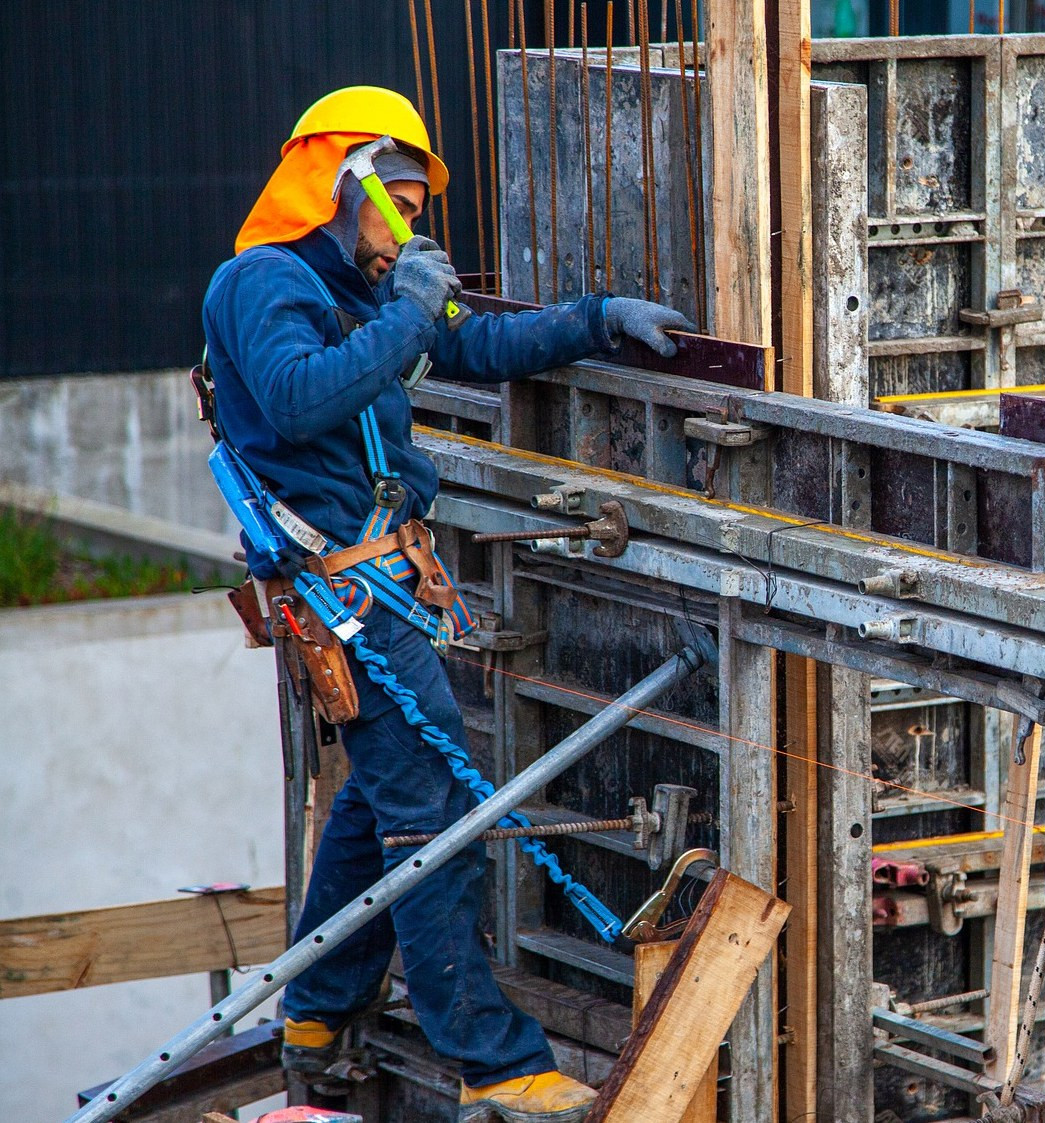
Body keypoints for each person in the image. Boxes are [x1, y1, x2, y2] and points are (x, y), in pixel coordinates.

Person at [201, 86, 690, 1123]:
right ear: (348, 180)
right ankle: (488, 1053)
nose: (415, 225)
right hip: (342, 593)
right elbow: (296, 397)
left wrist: (597, 319)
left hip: (377, 582)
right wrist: (413, 310)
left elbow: (476, 344)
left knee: (384, 796)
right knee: (435, 816)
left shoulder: (377, 288)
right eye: (405, 202)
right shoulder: (262, 284)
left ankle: (318, 1006)